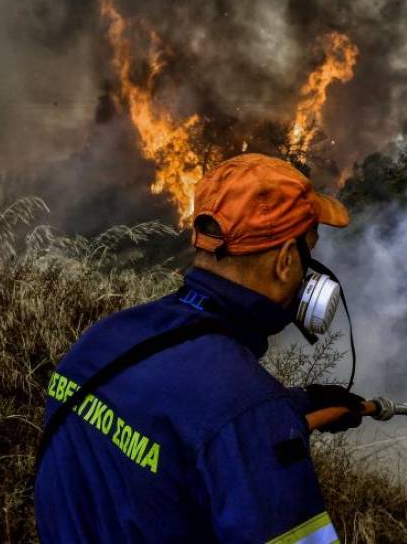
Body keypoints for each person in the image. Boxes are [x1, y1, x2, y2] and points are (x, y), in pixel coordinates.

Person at [35, 153, 364, 543]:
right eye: (310, 252)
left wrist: (291, 408)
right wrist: (267, 424)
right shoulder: (249, 414)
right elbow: (222, 418)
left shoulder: (104, 338)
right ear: (286, 261)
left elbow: (168, 419)